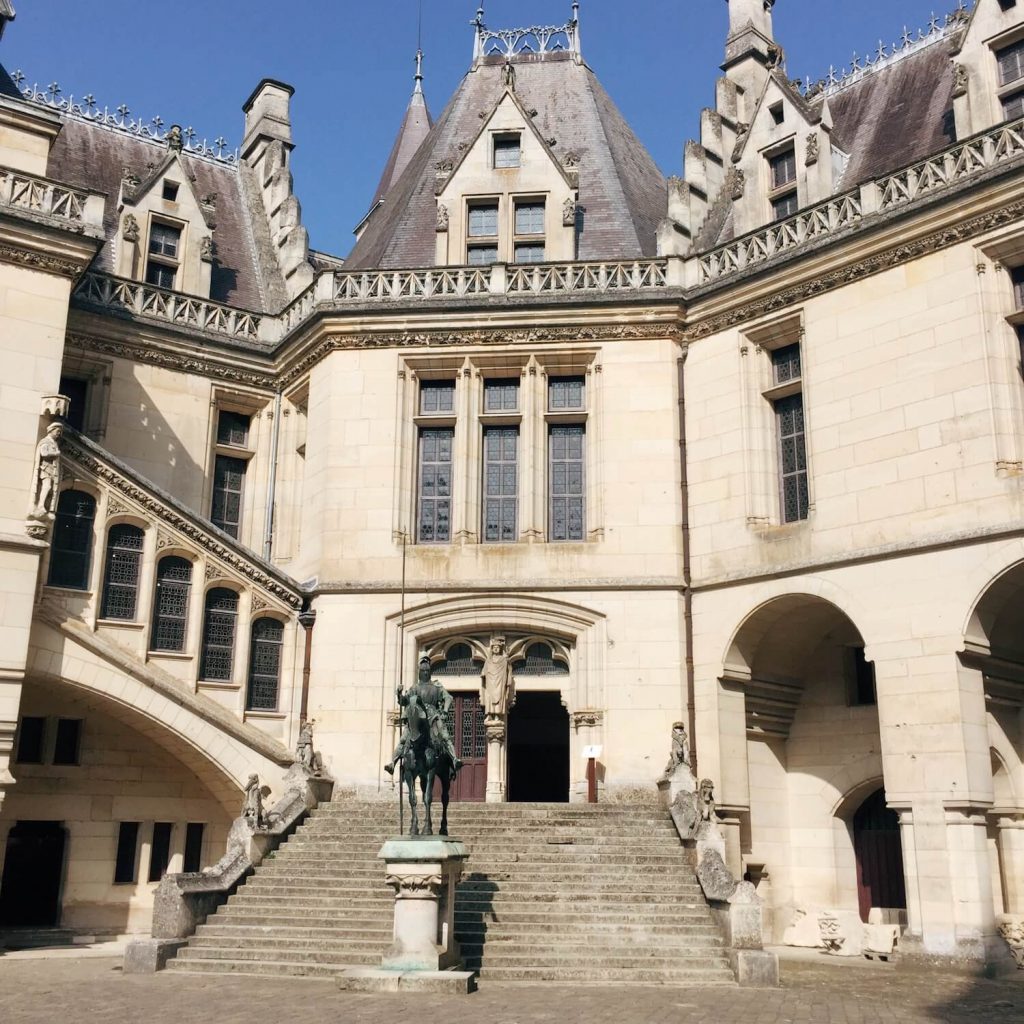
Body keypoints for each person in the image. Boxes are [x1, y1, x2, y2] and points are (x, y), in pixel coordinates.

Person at [385, 655, 463, 776]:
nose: (425, 673)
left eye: (427, 671)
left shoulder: (437, 686)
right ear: (419, 672)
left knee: (445, 736)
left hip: (433, 716)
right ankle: (392, 764)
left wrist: (445, 711)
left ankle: (454, 759)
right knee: (403, 739)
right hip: (417, 716)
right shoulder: (414, 688)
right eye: (423, 671)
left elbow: (448, 697)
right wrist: (399, 693)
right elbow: (404, 701)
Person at [480, 635, 514, 717]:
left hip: (500, 683)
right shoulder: (488, 660)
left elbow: (508, 671)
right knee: (489, 697)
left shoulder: (503, 660)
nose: (496, 649)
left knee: (499, 697)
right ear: (492, 649)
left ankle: (497, 716)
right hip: (490, 683)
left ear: (500, 649)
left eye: (498, 647)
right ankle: (490, 715)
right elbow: (483, 672)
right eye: (494, 647)